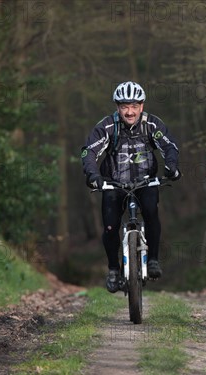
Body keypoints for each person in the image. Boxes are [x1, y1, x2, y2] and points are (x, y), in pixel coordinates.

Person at [81, 81, 180, 293]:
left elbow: (169, 146)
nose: (130, 111)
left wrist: (171, 167)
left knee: (151, 212)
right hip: (113, 184)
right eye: (125, 106)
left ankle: (152, 259)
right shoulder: (106, 126)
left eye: (134, 106)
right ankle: (114, 269)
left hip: (146, 181)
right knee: (110, 226)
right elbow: (88, 152)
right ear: (117, 107)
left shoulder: (152, 124)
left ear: (141, 106)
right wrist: (93, 175)